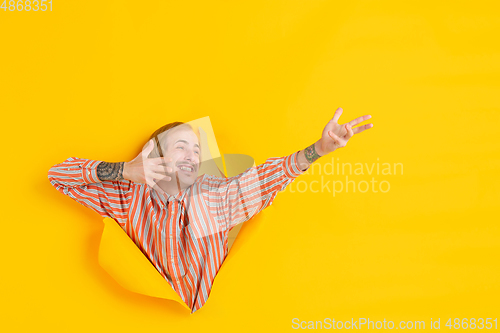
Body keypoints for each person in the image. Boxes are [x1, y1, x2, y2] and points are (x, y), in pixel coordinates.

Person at [47, 108, 373, 313]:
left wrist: (316, 150)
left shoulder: (211, 195)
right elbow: (58, 175)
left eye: (196, 149)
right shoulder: (128, 196)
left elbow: (260, 181)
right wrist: (124, 171)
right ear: (152, 153)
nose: (192, 155)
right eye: (180, 146)